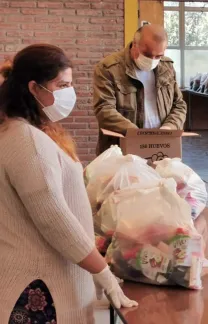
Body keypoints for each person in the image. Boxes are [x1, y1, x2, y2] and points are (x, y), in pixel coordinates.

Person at [0, 44, 137, 324]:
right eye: (62, 85)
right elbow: (55, 220)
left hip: (50, 273)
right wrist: (103, 273)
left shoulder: (30, 130)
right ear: (34, 88)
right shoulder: (27, 141)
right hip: (40, 286)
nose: (69, 93)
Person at [92, 24, 187, 155]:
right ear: (135, 45)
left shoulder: (167, 67)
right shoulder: (109, 68)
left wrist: (169, 128)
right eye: (147, 54)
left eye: (158, 56)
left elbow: (179, 104)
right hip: (121, 149)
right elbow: (104, 109)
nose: (153, 60)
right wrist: (138, 135)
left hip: (162, 147)